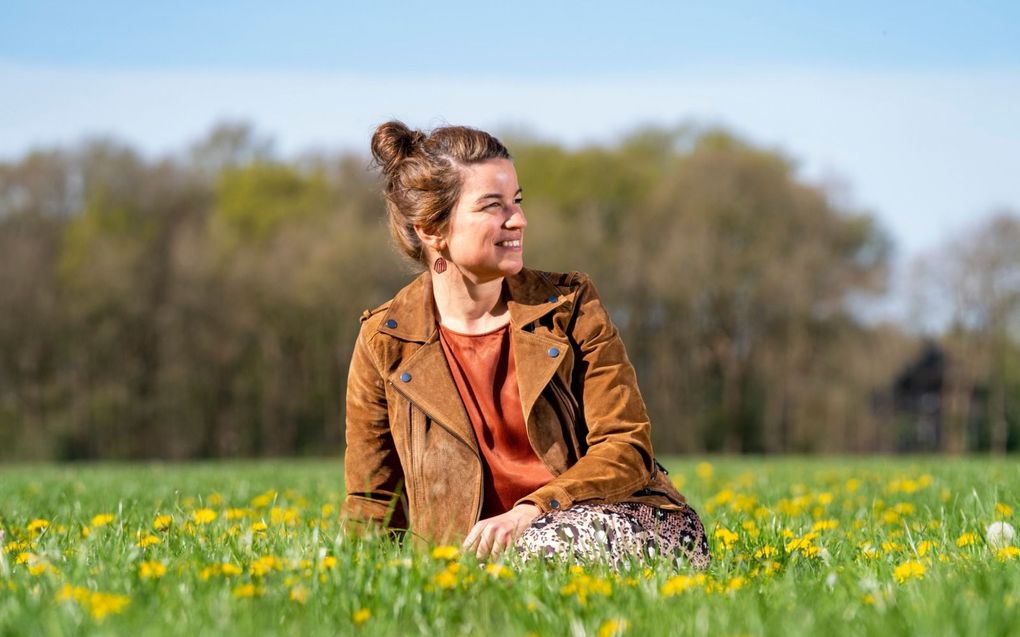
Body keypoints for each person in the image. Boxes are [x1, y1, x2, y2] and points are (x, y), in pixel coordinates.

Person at [342, 121, 709, 571]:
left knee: (528, 555)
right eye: (492, 206)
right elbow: (373, 497)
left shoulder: (570, 307)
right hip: (475, 559)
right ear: (432, 230)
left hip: (622, 521)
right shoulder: (385, 341)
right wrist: (365, 593)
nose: (518, 219)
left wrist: (531, 512)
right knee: (490, 569)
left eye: (516, 202)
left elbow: (626, 446)